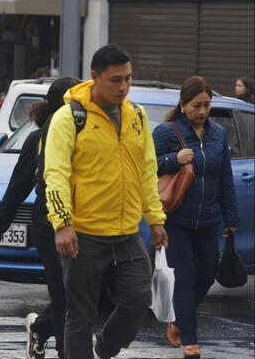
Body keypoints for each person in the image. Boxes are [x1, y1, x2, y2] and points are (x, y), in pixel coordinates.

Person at [43, 44, 168, 359]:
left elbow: (146, 171)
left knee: (138, 300)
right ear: (94, 77)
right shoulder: (69, 118)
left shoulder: (136, 115)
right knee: (79, 315)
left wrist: (155, 219)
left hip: (127, 233)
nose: (123, 87)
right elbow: (55, 174)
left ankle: (108, 347)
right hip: (83, 235)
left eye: (128, 78)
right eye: (115, 80)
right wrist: (63, 224)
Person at [0, 77, 79, 359]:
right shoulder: (38, 139)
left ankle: (40, 328)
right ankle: (67, 351)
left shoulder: (89, 136)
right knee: (63, 294)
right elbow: (18, 187)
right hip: (48, 224)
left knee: (79, 294)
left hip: (86, 225)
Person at [152, 76, 239, 359]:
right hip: (177, 217)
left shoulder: (217, 134)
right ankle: (190, 339)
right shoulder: (168, 132)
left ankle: (178, 319)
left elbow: (225, 177)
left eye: (206, 105)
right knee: (186, 277)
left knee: (206, 274)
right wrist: (173, 160)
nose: (202, 112)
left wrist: (230, 217)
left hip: (210, 218)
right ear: (183, 105)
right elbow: (146, 166)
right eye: (196, 106)